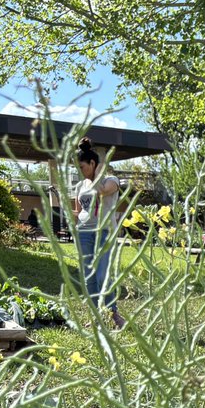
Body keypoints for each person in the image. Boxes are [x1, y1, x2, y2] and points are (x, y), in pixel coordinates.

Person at [74, 138, 126, 328]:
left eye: (83, 167)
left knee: (103, 276)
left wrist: (98, 172)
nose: (81, 171)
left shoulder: (111, 181)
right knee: (89, 278)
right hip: (84, 234)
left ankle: (113, 314)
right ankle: (96, 317)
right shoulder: (80, 187)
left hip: (104, 232)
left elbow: (103, 191)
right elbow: (80, 212)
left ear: (93, 164)